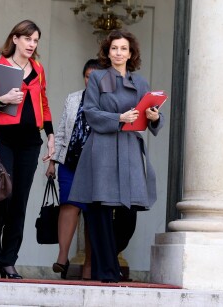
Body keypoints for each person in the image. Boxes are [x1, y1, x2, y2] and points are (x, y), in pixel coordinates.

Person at [69, 30, 164, 283]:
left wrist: (155, 117)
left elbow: (149, 114)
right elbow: (89, 112)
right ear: (107, 52)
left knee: (128, 215)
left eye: (123, 49)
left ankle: (106, 262)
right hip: (102, 148)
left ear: (131, 53)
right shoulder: (97, 78)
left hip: (130, 149)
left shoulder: (141, 82)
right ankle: (108, 272)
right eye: (114, 48)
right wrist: (118, 118)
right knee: (100, 210)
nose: (118, 53)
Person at [0, 20, 55, 279]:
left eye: (35, 40)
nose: (31, 44)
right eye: (27, 39)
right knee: (3, 195)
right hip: (3, 138)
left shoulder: (38, 69)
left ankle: (9, 260)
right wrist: (2, 100)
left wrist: (51, 135)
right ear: (15, 39)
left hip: (29, 141)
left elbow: (43, 103)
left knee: (20, 201)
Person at [45, 59, 100, 280]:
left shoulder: (109, 101)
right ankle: (62, 257)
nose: (91, 81)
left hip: (96, 166)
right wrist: (52, 161)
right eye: (88, 76)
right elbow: (60, 132)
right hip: (69, 162)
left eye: (95, 77)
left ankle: (88, 264)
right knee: (68, 205)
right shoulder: (73, 98)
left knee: (92, 213)